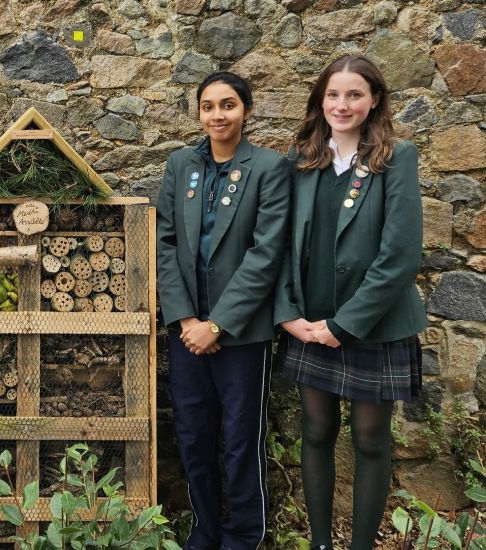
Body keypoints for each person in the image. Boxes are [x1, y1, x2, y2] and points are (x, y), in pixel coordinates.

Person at [274, 54, 426, 550]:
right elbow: (277, 244)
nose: (343, 104)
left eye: (354, 94)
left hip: (371, 325)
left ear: (374, 99)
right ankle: (320, 543)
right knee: (315, 431)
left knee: (369, 440)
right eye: (334, 94)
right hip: (308, 325)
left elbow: (400, 255)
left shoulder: (395, 157)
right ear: (321, 99)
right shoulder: (302, 158)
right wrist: (289, 314)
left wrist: (345, 324)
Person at [156, 72, 290, 550]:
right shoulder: (179, 165)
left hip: (241, 332)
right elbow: (165, 243)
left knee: (239, 441)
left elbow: (266, 253)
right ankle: (204, 530)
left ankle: (244, 536)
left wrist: (219, 323)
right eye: (208, 106)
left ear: (246, 111)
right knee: (192, 435)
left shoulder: (270, 168)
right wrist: (187, 319)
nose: (218, 115)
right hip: (187, 328)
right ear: (198, 113)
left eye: (228, 105)